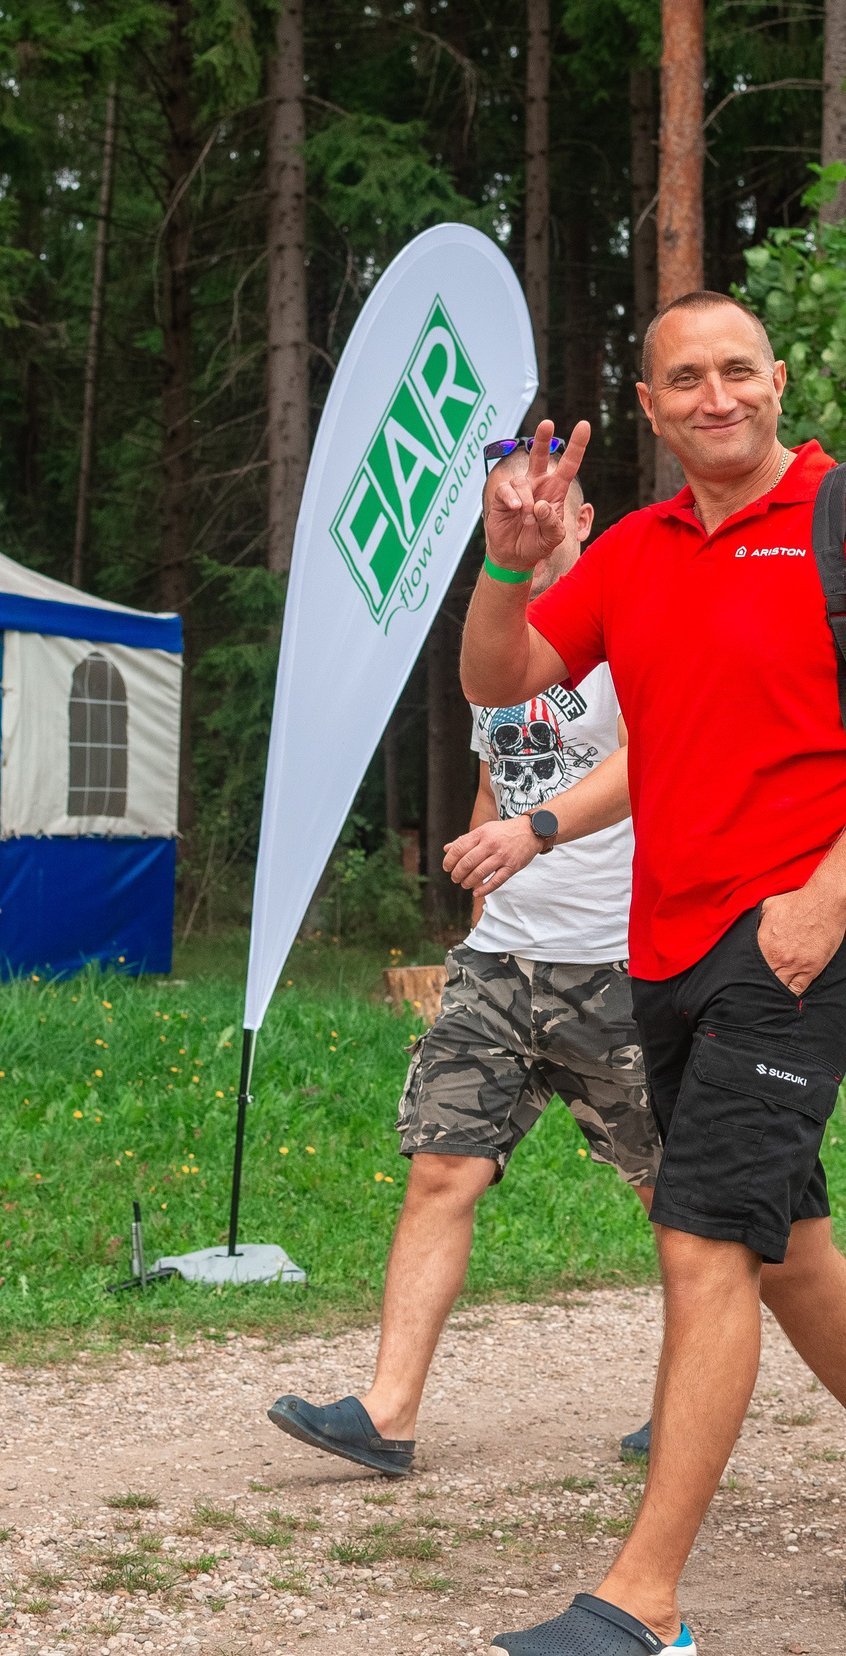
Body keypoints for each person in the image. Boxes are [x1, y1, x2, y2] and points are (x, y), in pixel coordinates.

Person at [459, 291, 846, 1656]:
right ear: (648, 406)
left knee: (702, 1240)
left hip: (800, 936)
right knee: (785, 1238)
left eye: (737, 371)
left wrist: (827, 901)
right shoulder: (633, 551)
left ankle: (642, 1600)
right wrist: (505, 565)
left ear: (776, 381)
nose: (716, 397)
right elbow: (506, 680)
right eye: (683, 379)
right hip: (664, 946)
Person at [266, 444, 659, 1478]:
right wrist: (483, 878)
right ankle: (387, 1414)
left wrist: (532, 826)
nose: (533, 516)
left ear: (583, 513)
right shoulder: (498, 639)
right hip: (498, 962)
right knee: (442, 1165)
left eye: (551, 501)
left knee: (676, 1194)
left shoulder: (626, 626)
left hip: (614, 963)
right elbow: (497, 772)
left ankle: (693, 1389)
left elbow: (644, 764)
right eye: (511, 504)